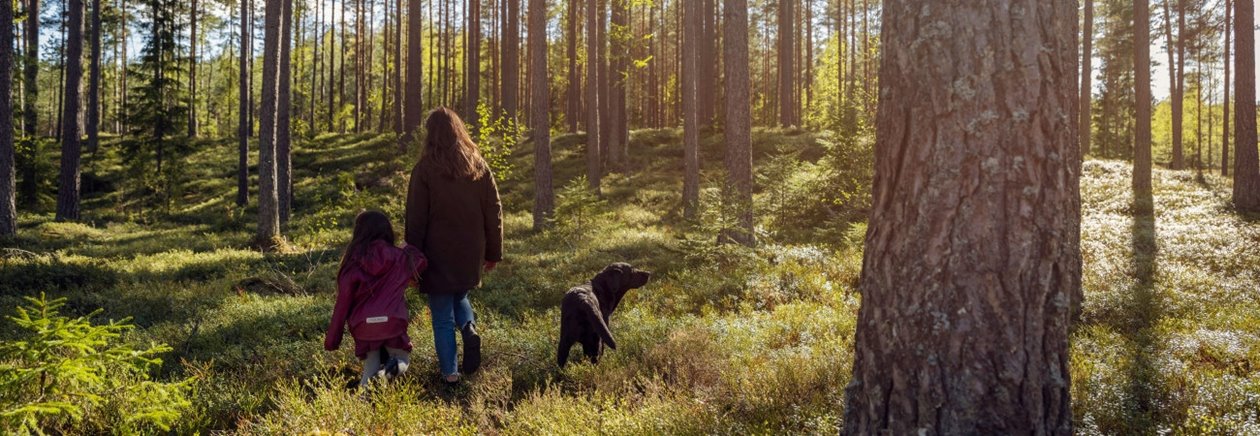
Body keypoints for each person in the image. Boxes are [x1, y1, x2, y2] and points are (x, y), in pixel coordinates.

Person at [405, 107, 504, 384]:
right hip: (470, 250)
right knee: (459, 296)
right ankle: (469, 328)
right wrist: (493, 252)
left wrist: (412, 260)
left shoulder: (424, 170)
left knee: (441, 316)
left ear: (430, 135)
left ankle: (451, 375)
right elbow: (493, 210)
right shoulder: (478, 165)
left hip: (436, 255)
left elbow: (416, 218)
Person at [325, 210, 428, 388]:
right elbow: (421, 261)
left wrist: (333, 339)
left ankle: (362, 406)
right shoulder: (400, 257)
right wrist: (407, 247)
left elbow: (342, 304)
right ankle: (385, 375)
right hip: (392, 321)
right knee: (402, 358)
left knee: (370, 365)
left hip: (364, 326)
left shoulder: (352, 261)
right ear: (387, 230)